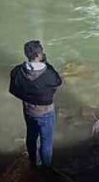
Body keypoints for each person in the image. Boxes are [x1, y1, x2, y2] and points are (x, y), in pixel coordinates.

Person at [8, 40, 64, 168]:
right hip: (46, 111)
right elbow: (58, 82)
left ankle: (33, 163)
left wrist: (26, 97)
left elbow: (13, 90)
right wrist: (46, 63)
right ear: (39, 55)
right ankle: (46, 168)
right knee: (46, 141)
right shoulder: (48, 73)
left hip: (28, 109)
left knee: (31, 136)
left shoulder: (17, 71)